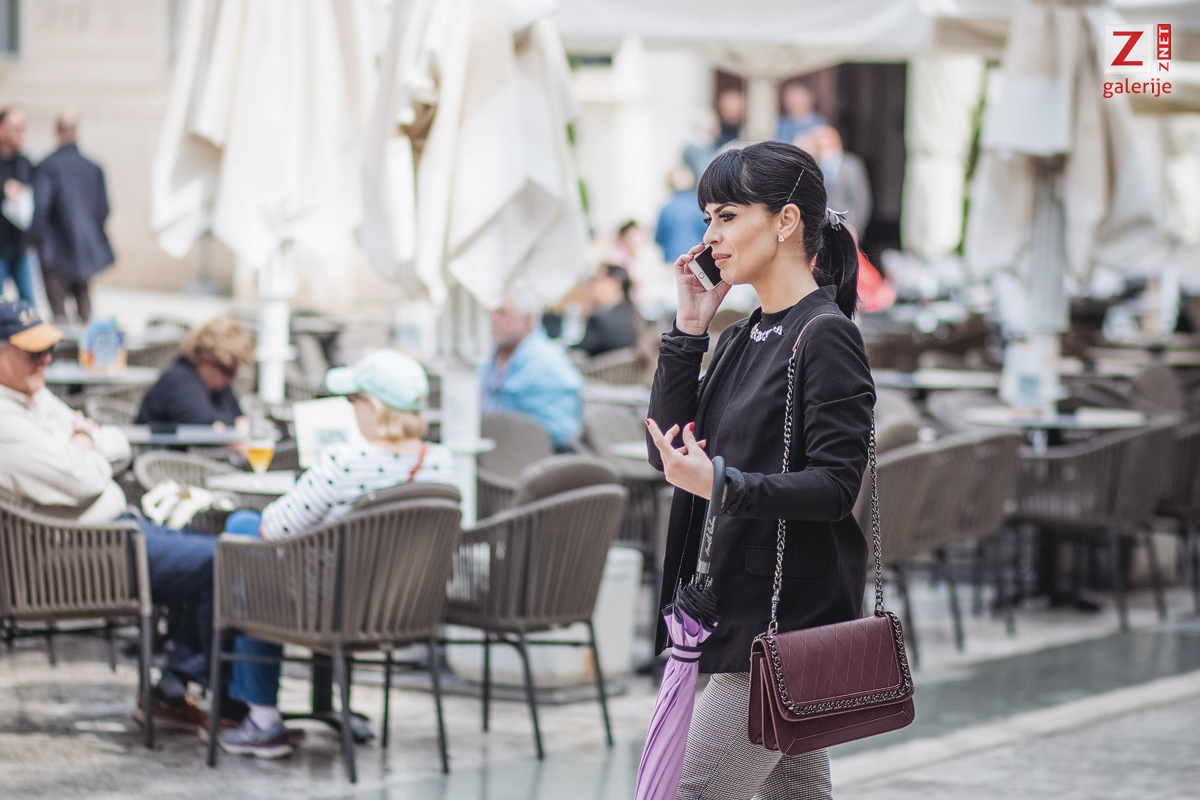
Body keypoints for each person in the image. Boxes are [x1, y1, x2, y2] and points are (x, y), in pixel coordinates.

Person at [644, 141, 873, 799]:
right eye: (708, 219)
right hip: (741, 613)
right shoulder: (744, 335)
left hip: (783, 624)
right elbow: (668, 448)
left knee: (694, 791)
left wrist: (722, 485)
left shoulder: (825, 334)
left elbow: (836, 487)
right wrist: (689, 331)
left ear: (786, 221)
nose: (710, 237)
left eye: (727, 216)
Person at [0, 300, 229, 731]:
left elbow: (116, 442)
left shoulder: (33, 395)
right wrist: (82, 442)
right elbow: (84, 477)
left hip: (113, 532)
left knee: (231, 548)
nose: (46, 359)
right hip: (81, 555)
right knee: (226, 560)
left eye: (48, 349)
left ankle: (177, 689)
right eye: (32, 351)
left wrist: (84, 442)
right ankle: (213, 703)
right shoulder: (6, 421)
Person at [217, 349, 455, 758]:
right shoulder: (440, 463)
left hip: (329, 608)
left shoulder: (344, 462)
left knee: (244, 532)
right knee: (255, 548)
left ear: (373, 407)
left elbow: (275, 528)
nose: (350, 408)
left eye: (354, 399)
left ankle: (262, 719)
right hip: (402, 607)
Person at [31, 110, 114, 324]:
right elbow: (104, 210)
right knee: (85, 314)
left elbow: (41, 209)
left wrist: (36, 240)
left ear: (57, 132)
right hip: (83, 250)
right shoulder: (93, 168)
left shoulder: (48, 166)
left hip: (55, 252)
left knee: (60, 318)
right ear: (76, 132)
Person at [481, 287, 583, 450]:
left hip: (529, 455)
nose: (493, 319)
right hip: (490, 449)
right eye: (491, 312)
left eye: (502, 313)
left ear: (527, 320)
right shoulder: (488, 355)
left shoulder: (547, 365)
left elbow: (560, 436)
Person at [136, 317, 254, 428]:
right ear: (205, 357)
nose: (231, 378)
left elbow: (240, 420)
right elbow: (206, 427)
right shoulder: (179, 380)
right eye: (227, 370)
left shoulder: (218, 389)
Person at [808, 125, 872, 235]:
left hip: (846, 225)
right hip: (821, 229)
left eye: (821, 146)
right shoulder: (815, 166)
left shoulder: (851, 166)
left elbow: (861, 200)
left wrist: (856, 228)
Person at [0, 108, 36, 304]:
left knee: (29, 304)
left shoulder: (23, 162)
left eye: (23, 129)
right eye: (16, 128)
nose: (21, 134)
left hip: (19, 246)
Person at [573, 264, 640, 357]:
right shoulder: (636, 317)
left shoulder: (600, 321)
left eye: (596, 280)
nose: (591, 285)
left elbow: (575, 352)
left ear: (613, 283)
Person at [655, 166, 709, 269]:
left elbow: (658, 238)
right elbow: (707, 231)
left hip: (672, 261)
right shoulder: (698, 206)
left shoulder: (666, 208)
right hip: (697, 259)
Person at [774, 80, 825, 145]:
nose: (791, 101)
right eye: (788, 98)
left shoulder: (817, 122)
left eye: (796, 97)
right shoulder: (783, 122)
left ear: (809, 99)